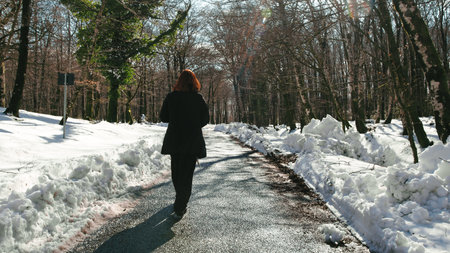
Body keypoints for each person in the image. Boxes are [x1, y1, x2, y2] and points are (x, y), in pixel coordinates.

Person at [160, 69, 209, 219]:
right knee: (187, 175)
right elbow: (205, 120)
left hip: (175, 140)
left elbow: (163, 117)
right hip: (192, 141)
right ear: (194, 82)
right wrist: (193, 124)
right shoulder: (198, 99)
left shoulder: (171, 97)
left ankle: (180, 201)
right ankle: (180, 205)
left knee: (177, 173)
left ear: (179, 82)